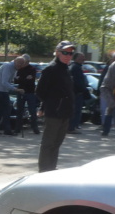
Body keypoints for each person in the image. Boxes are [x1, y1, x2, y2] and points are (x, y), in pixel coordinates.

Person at [36, 41, 76, 171]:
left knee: (56, 144)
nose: (68, 55)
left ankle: (51, 169)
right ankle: (44, 171)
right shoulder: (50, 69)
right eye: (65, 52)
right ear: (57, 52)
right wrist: (51, 104)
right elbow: (40, 91)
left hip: (65, 112)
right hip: (54, 113)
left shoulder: (66, 69)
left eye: (70, 53)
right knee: (48, 144)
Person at [12, 56, 40, 134]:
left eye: (24, 62)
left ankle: (35, 127)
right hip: (20, 91)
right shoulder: (19, 69)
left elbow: (31, 80)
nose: (22, 63)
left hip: (30, 92)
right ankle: (17, 128)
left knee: (32, 110)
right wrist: (24, 79)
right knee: (19, 110)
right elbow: (15, 81)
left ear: (27, 61)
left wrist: (21, 79)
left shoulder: (32, 69)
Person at [0, 58, 17, 134]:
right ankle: (7, 129)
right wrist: (15, 89)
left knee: (0, 111)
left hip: (2, 90)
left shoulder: (13, 68)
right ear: (18, 63)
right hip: (1, 91)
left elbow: (10, 81)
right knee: (6, 110)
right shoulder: (8, 67)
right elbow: (4, 82)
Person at [68, 51, 88, 133]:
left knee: (76, 110)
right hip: (76, 94)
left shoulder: (75, 67)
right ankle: (72, 128)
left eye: (83, 57)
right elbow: (77, 82)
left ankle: (73, 126)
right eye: (81, 57)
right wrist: (83, 89)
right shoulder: (75, 67)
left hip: (76, 93)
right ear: (76, 58)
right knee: (75, 111)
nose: (83, 59)